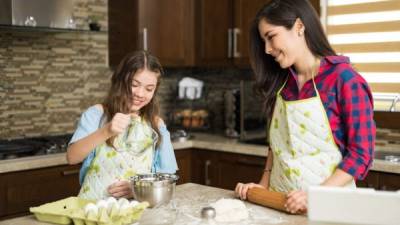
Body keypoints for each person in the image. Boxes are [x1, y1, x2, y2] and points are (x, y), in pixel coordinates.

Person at [234, 0, 375, 214]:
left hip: (330, 209)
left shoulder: (344, 80)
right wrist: (263, 185)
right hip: (279, 204)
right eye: (263, 41)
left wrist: (314, 195)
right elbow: (277, 146)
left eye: (271, 37)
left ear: (299, 27)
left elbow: (361, 154)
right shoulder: (281, 84)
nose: (267, 49)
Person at [67, 51, 178, 200]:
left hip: (137, 209)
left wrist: (137, 189)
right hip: (93, 209)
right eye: (134, 84)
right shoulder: (97, 114)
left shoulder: (156, 124)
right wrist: (107, 130)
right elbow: (72, 157)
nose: (140, 93)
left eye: (149, 89)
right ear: (120, 81)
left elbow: (168, 178)